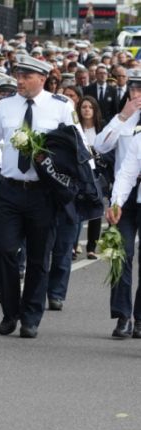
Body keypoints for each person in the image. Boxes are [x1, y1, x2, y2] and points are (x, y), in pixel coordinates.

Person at [0, 55, 76, 339]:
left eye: (26, 76)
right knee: (4, 251)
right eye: (18, 75)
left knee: (38, 258)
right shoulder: (6, 106)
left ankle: (31, 315)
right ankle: (10, 311)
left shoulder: (61, 107)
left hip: (43, 193)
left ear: (42, 79)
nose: (19, 81)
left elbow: (73, 148)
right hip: (9, 189)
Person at [95, 68, 141, 339]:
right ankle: (122, 315)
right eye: (134, 89)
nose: (137, 94)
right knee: (121, 256)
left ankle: (140, 318)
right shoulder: (123, 119)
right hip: (123, 193)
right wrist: (123, 116)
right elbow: (101, 146)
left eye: (140, 89)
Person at [75, 96, 103, 262]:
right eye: (83, 107)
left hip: (95, 174)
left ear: (94, 110)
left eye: (89, 107)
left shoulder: (100, 129)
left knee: (95, 210)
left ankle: (91, 247)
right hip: (79, 173)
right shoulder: (76, 129)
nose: (86, 109)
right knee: (77, 208)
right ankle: (73, 244)